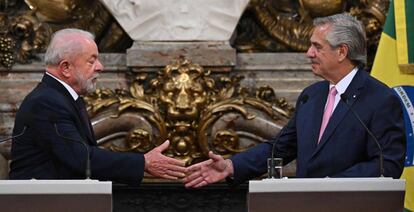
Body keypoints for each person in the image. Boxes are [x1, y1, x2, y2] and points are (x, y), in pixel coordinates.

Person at [184, 13, 406, 188]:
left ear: (342, 52)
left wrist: (330, 185)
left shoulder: (380, 99)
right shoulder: (312, 95)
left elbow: (387, 165)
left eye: (317, 47)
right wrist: (232, 166)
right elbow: (280, 148)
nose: (308, 53)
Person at [9, 28, 186, 184]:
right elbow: (80, 159)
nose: (100, 67)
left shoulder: (59, 97)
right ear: (65, 68)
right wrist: (143, 162)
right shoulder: (46, 102)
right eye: (91, 61)